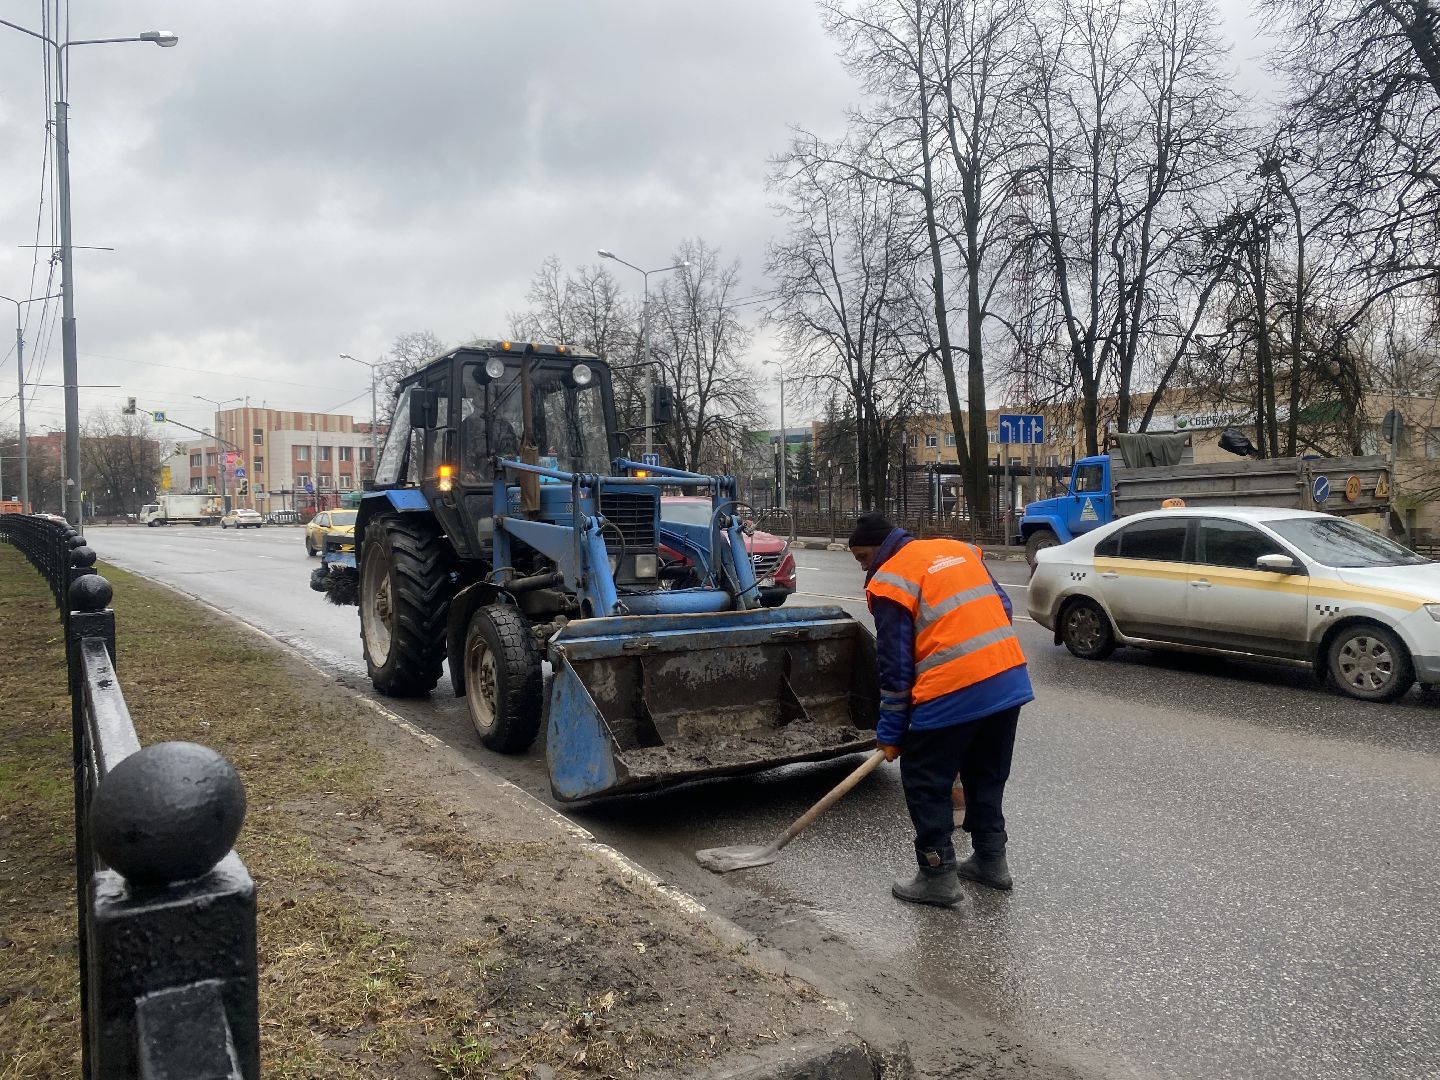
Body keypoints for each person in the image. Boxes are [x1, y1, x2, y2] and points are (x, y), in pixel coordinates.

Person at [849, 511, 1033, 907]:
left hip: (953, 689)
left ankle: (936, 875)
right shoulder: (959, 550)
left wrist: (892, 734)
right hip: (1007, 679)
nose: (863, 567)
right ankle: (990, 860)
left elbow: (895, 669)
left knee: (924, 780)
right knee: (986, 774)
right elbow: (1002, 607)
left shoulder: (889, 582)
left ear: (881, 548)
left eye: (863, 557)